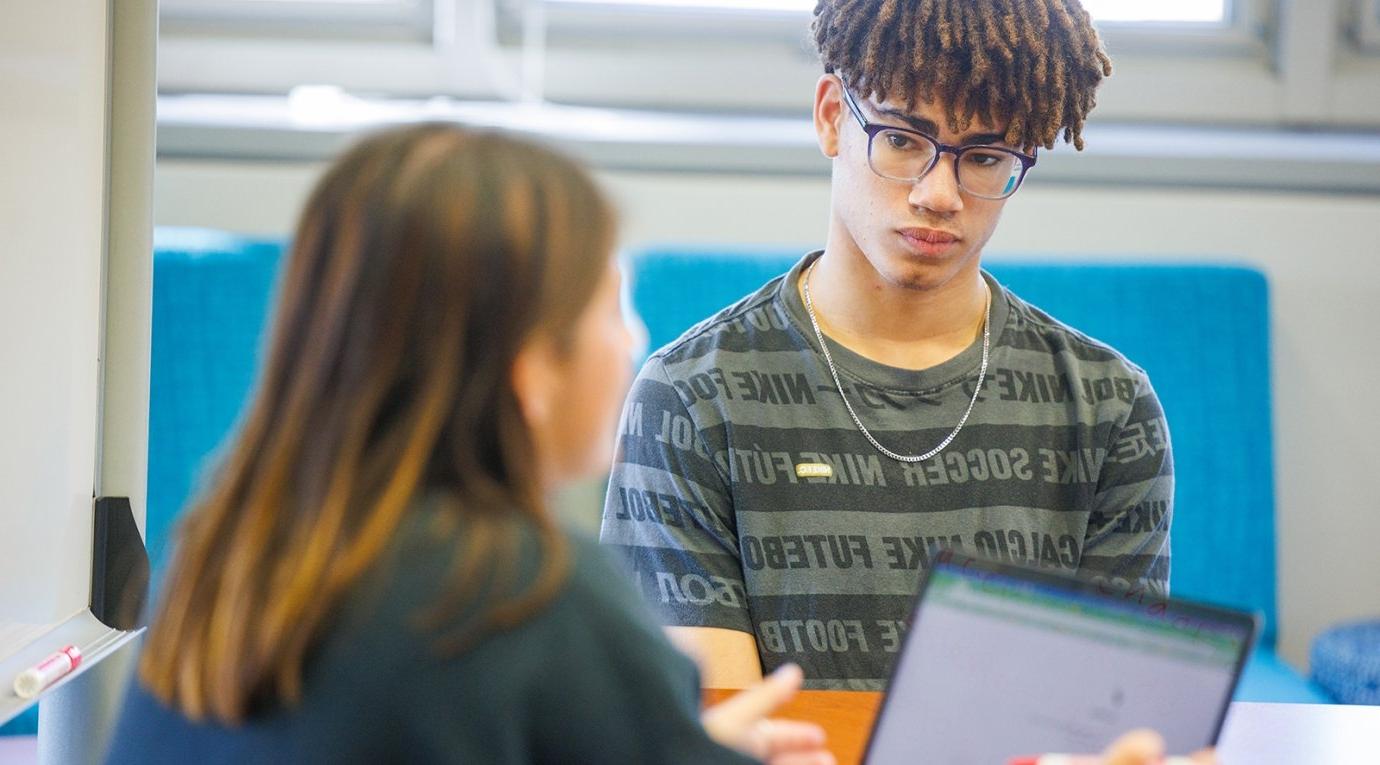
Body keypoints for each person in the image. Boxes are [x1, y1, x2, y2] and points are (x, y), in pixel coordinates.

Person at [103, 124, 833, 765]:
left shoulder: (226, 558)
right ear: (530, 367)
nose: (633, 340)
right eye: (612, 305)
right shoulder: (525, 593)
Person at [601, 0, 1173, 694]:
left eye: (985, 157)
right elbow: (712, 734)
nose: (939, 195)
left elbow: (1104, 716)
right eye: (903, 139)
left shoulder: (1109, 408)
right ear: (832, 118)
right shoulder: (689, 397)